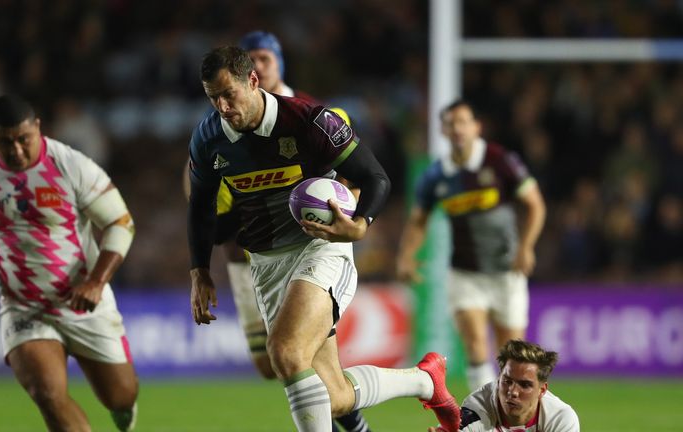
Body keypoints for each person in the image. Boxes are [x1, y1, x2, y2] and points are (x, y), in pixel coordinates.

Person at [187, 46, 461, 432]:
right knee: (333, 397)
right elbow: (200, 207)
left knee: (285, 351)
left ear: (252, 81)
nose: (221, 105)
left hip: (319, 249)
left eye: (228, 93)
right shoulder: (208, 138)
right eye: (212, 96)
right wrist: (199, 269)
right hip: (266, 263)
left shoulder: (309, 121)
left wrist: (361, 224)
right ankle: (424, 381)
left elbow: (376, 178)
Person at [0, 95, 138, 432]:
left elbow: (121, 223)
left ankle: (123, 407)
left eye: (24, 139)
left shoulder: (71, 165)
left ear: (37, 128)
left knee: (121, 395)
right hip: (23, 305)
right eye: (6, 142)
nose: (17, 150)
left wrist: (96, 282)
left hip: (82, 298)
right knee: (47, 393)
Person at [397, 100, 546, 391]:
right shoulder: (437, 175)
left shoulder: (500, 161)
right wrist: (406, 256)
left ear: (477, 127)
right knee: (476, 347)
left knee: (513, 357)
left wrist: (526, 247)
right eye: (450, 123)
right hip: (465, 273)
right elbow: (418, 220)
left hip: (506, 271)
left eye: (463, 122)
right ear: (443, 130)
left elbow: (535, 205)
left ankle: (508, 416)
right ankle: (488, 416)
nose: (457, 129)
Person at [429, 340, 579, 431]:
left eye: (525, 385)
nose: (513, 392)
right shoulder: (477, 411)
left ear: (542, 390)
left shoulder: (560, 418)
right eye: (507, 381)